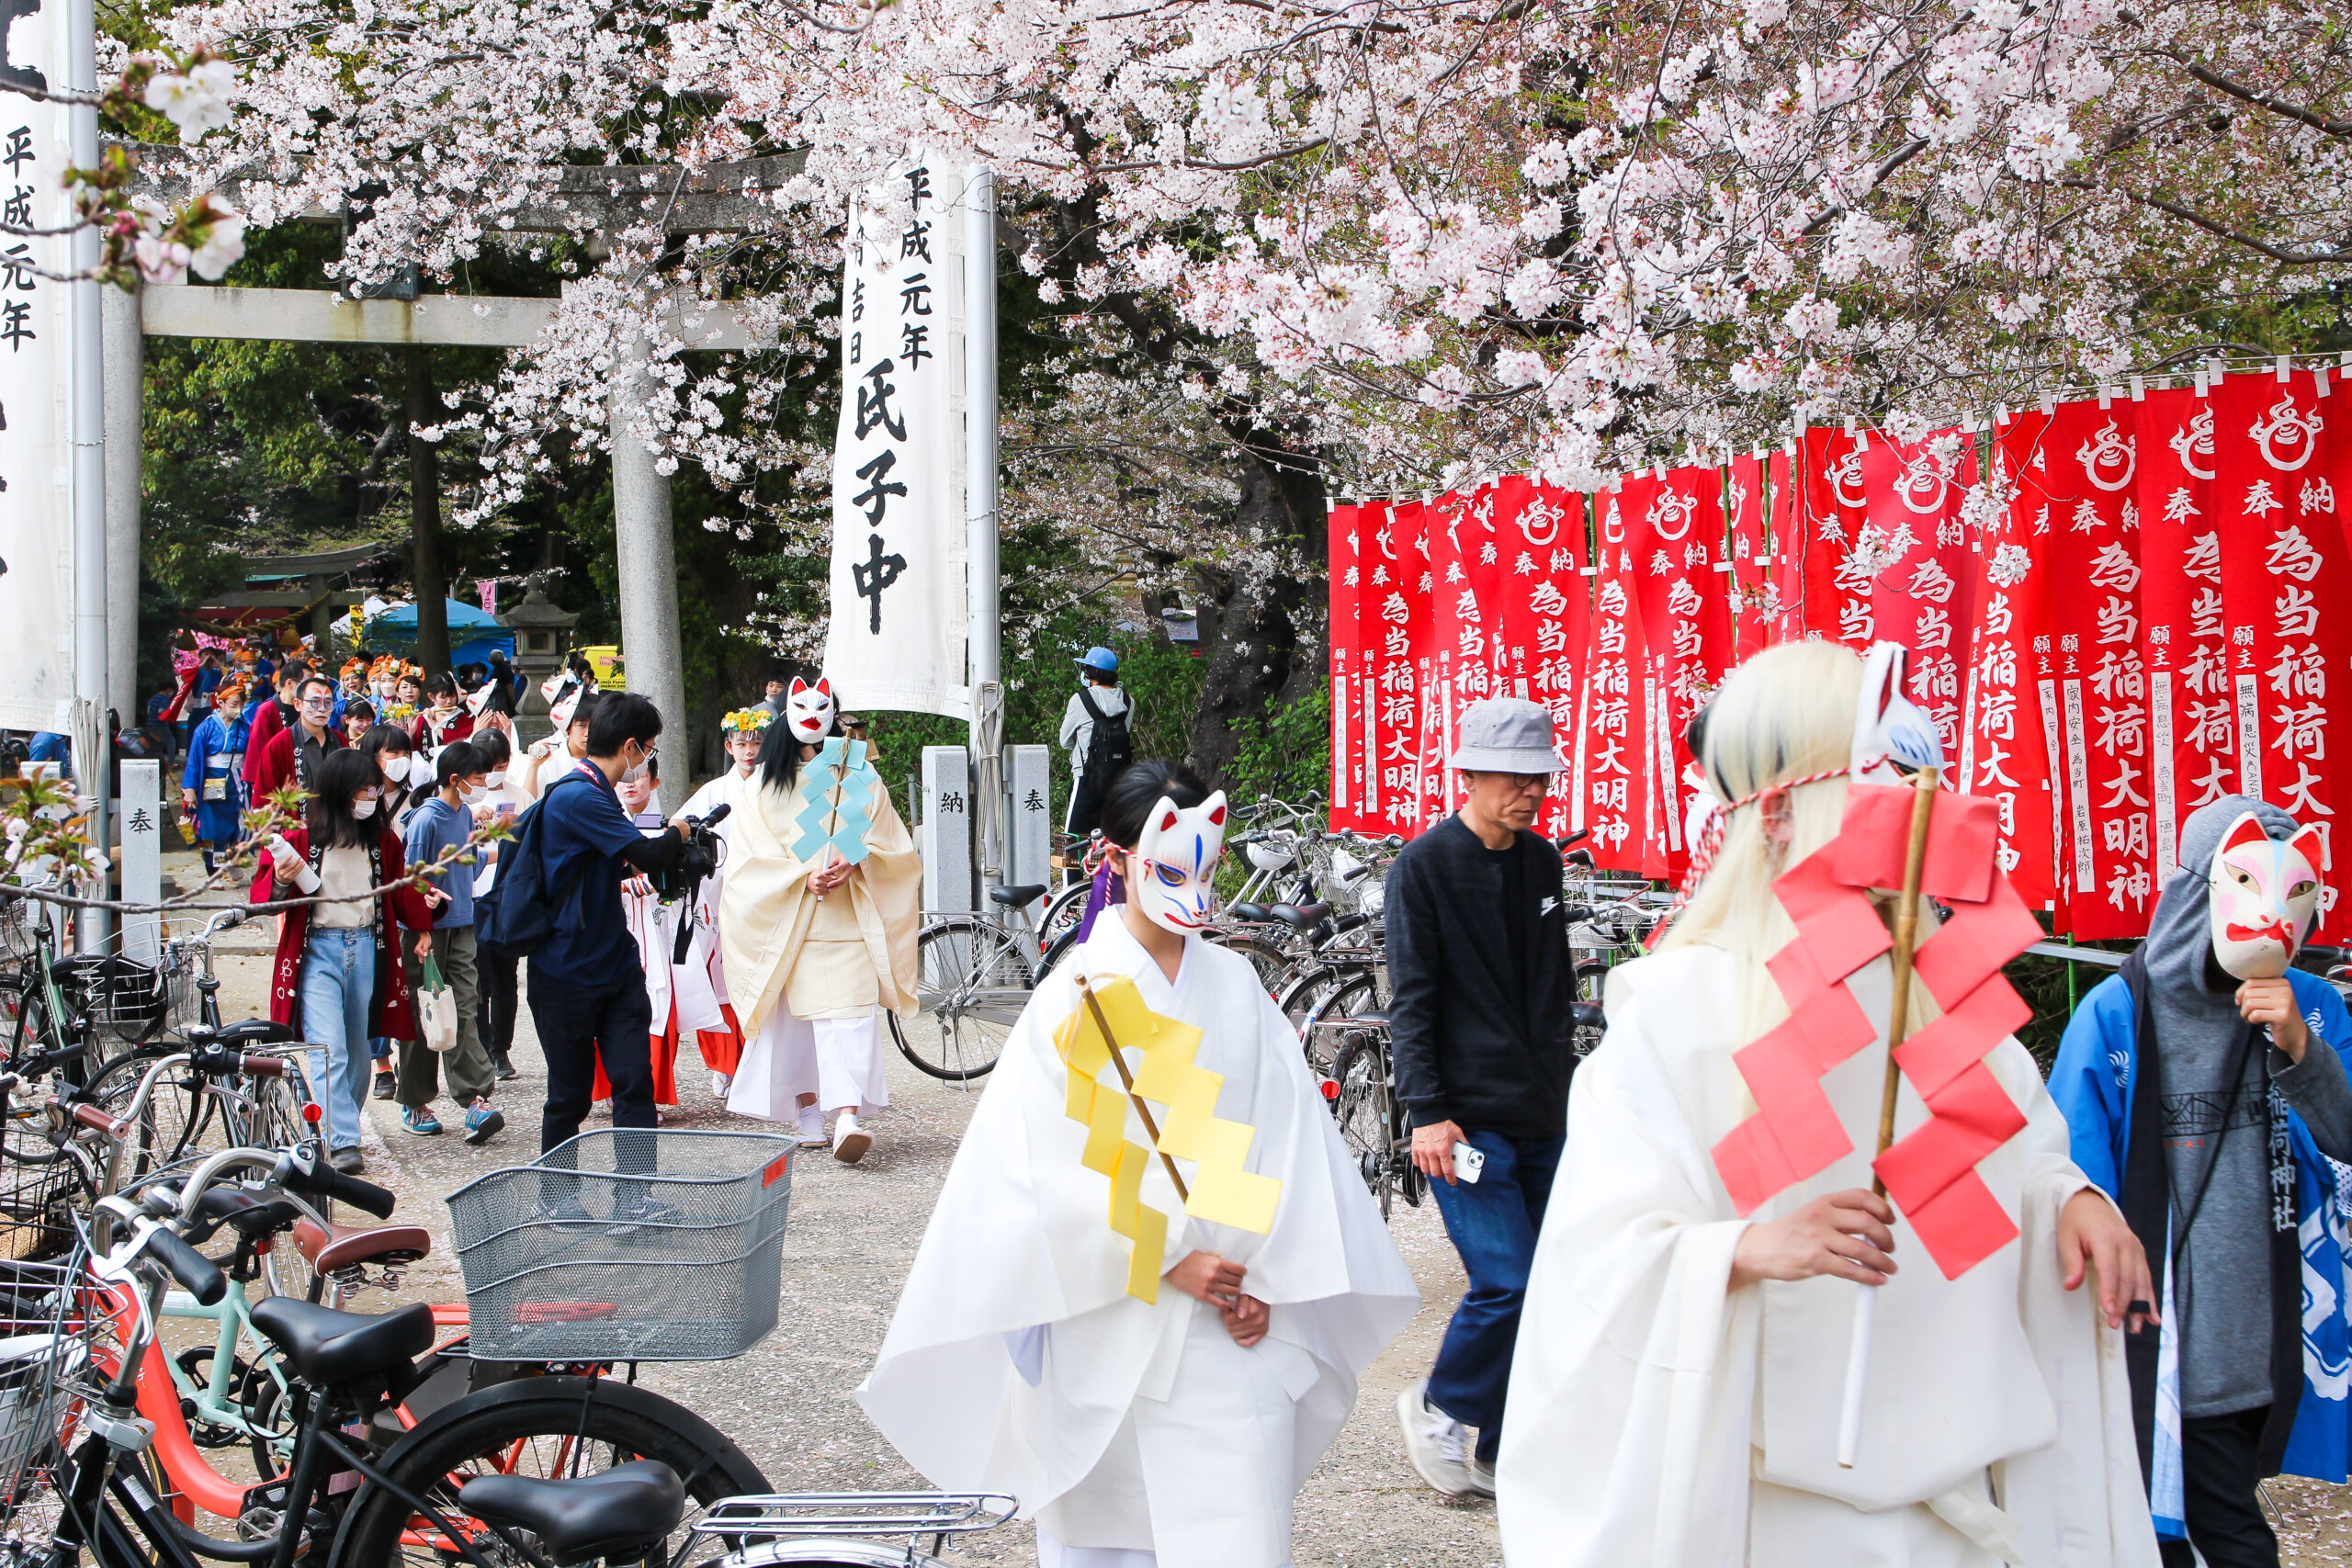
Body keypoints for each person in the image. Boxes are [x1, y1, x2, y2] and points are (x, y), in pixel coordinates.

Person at [1495, 640, 2158, 1567]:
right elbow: (1597, 1261)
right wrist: (1740, 1250)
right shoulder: (1681, 1011)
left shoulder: (1938, 1003)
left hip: (1954, 1514)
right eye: (1880, 786)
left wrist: (2069, 1199)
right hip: (1768, 1519)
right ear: (1776, 814)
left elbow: (2014, 1159)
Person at [858, 759, 1420, 1567]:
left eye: (1205, 868)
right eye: (1168, 866)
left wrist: (1272, 1281)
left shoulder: (1237, 986)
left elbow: (1293, 1141)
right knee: (1109, 1536)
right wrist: (1166, 1256)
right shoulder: (1074, 994)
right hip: (1112, 1311)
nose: (1192, 890)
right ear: (1116, 857)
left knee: (1235, 1535)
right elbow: (1037, 1172)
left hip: (1233, 1316)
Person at [2051, 796, 2352, 1568]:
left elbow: (2348, 1140)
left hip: (2279, 1342)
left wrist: (2300, 1046)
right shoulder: (2118, 1014)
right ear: (2198, 892)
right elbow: (2067, 1179)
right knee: (2222, 1542)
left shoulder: (2314, 1008)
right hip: (2168, 1352)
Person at [1384, 694, 1573, 1495]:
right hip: (1463, 1121)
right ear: (1467, 773)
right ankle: (1440, 1403)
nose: (1530, 791)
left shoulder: (1541, 862)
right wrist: (1426, 1111)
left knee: (1551, 1284)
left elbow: (1555, 989)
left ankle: (1501, 1443)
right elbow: (1412, 1000)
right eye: (1514, 776)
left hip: (1543, 1111)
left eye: (1540, 777)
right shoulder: (1423, 867)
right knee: (1508, 1280)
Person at [719, 676, 921, 1160]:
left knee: (851, 1020)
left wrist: (858, 858)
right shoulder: (764, 783)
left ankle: (847, 1116)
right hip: (793, 921)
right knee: (798, 1025)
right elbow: (749, 858)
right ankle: (808, 1109)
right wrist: (799, 877)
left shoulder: (860, 775)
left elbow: (892, 843)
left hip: (850, 917)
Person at [253, 748, 439, 1175]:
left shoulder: (381, 839)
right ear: (340, 791)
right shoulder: (300, 838)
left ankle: (342, 1124)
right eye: (365, 789)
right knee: (329, 1049)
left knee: (358, 1049)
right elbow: (263, 893)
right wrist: (280, 878)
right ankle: (341, 1140)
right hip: (317, 950)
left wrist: (424, 920)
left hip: (367, 947)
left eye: (375, 789)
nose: (373, 797)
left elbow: (400, 884)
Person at [523, 692, 693, 1156]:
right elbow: (649, 853)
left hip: (614, 966)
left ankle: (635, 1190)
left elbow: (609, 863)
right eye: (650, 747)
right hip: (565, 970)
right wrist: (680, 831)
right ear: (631, 746)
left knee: (635, 1084)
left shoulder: (595, 791)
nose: (648, 758)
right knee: (569, 1096)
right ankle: (558, 1191)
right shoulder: (580, 796)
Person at [394, 739, 505, 1145]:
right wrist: (421, 923)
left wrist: (501, 849)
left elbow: (466, 866)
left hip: (462, 923)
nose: (483, 783)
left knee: (463, 1008)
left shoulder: (462, 816)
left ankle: (475, 1099)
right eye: (478, 776)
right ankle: (414, 1100)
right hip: (427, 930)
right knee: (426, 1012)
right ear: (456, 779)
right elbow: (410, 876)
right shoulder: (426, 819)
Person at [677, 705, 769, 1096]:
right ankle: (724, 1065)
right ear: (729, 746)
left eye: (756, 742)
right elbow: (681, 827)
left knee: (762, 979)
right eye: (742, 743)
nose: (749, 750)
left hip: (764, 897)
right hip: (719, 896)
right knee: (718, 980)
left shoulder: (776, 787)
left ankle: (759, 1065)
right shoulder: (714, 792)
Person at [468, 727, 525, 1081]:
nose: (493, 773)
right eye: (487, 766)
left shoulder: (520, 796)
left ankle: (501, 1048)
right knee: (476, 980)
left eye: (501, 765)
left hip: (507, 898)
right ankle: (481, 1046)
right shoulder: (463, 799)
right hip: (472, 898)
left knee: (505, 978)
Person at [1058, 646, 1132, 840]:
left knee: (1072, 840)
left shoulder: (1079, 700)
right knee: (1110, 841)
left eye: (1086, 669)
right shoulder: (1128, 701)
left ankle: (1077, 864)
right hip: (1117, 780)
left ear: (1094, 672)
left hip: (1086, 776)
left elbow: (1064, 741)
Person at [180, 678, 252, 874]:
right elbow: (194, 760)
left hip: (239, 781)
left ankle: (235, 860)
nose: (238, 708)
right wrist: (190, 789)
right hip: (212, 780)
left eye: (241, 704)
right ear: (221, 702)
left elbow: (253, 754)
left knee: (243, 823)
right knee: (213, 829)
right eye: (234, 704)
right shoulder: (205, 728)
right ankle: (216, 871)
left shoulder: (245, 726)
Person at [250, 675, 348, 801]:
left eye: (328, 703)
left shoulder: (340, 741)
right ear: (298, 704)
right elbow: (264, 796)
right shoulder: (278, 745)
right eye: (315, 702)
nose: (322, 708)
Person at [415, 671, 474, 756]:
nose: (449, 701)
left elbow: (461, 746)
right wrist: (410, 731)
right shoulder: (423, 718)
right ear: (431, 697)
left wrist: (435, 726)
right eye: (443, 697)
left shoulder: (466, 719)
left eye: (452, 696)